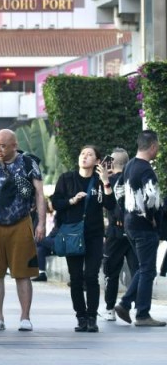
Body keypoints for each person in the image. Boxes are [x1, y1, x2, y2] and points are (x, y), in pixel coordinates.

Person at [0, 129, 46, 332]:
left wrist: (41, 223)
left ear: (14, 145)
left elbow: (40, 194)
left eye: (2, 145)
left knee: (23, 273)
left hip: (21, 223)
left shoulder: (28, 163)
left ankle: (25, 317)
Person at [51, 145, 115, 333]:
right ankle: (81, 317)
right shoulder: (67, 179)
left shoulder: (99, 182)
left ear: (97, 161)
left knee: (91, 276)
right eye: (82, 154)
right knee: (76, 277)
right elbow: (55, 202)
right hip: (72, 234)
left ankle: (92, 317)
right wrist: (72, 201)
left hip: (94, 235)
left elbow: (111, 205)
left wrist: (106, 182)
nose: (84, 157)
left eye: (89, 155)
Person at [114, 130, 165, 326]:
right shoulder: (146, 170)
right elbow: (152, 197)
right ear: (152, 146)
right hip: (144, 227)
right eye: (157, 146)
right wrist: (151, 217)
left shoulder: (129, 166)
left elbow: (118, 191)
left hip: (130, 224)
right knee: (147, 270)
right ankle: (141, 314)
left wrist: (127, 210)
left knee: (144, 268)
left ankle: (126, 305)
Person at [102, 148, 136, 322]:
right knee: (137, 270)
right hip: (133, 232)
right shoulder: (132, 179)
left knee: (111, 272)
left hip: (115, 233)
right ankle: (137, 307)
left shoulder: (110, 181)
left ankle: (110, 308)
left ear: (111, 163)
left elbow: (109, 206)